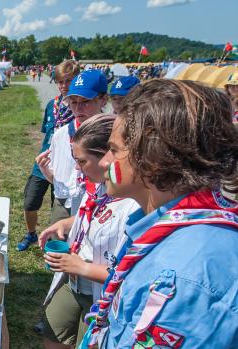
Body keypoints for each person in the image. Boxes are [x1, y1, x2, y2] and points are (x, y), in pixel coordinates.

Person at [80, 79, 238, 348]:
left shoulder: (187, 280)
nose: (104, 161)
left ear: (153, 158)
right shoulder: (161, 227)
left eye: (115, 150)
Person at [38, 114, 139, 348]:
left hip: (100, 293)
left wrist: (81, 266)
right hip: (73, 281)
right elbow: (96, 213)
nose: (76, 167)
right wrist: (66, 223)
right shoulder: (100, 184)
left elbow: (130, 274)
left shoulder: (134, 205)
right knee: (53, 334)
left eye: (81, 161)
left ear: (107, 156)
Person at [17, 60, 80, 251]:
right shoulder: (52, 105)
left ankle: (57, 243)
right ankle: (31, 234)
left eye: (68, 81)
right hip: (43, 164)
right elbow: (48, 134)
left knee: (59, 207)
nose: (63, 86)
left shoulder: (80, 108)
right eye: (60, 81)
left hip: (66, 168)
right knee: (30, 202)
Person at [36, 70, 108, 224]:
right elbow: (57, 179)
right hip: (65, 203)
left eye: (85, 101)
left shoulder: (113, 137)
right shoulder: (61, 136)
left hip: (101, 205)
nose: (78, 108)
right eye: (73, 102)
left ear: (103, 100)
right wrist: (46, 171)